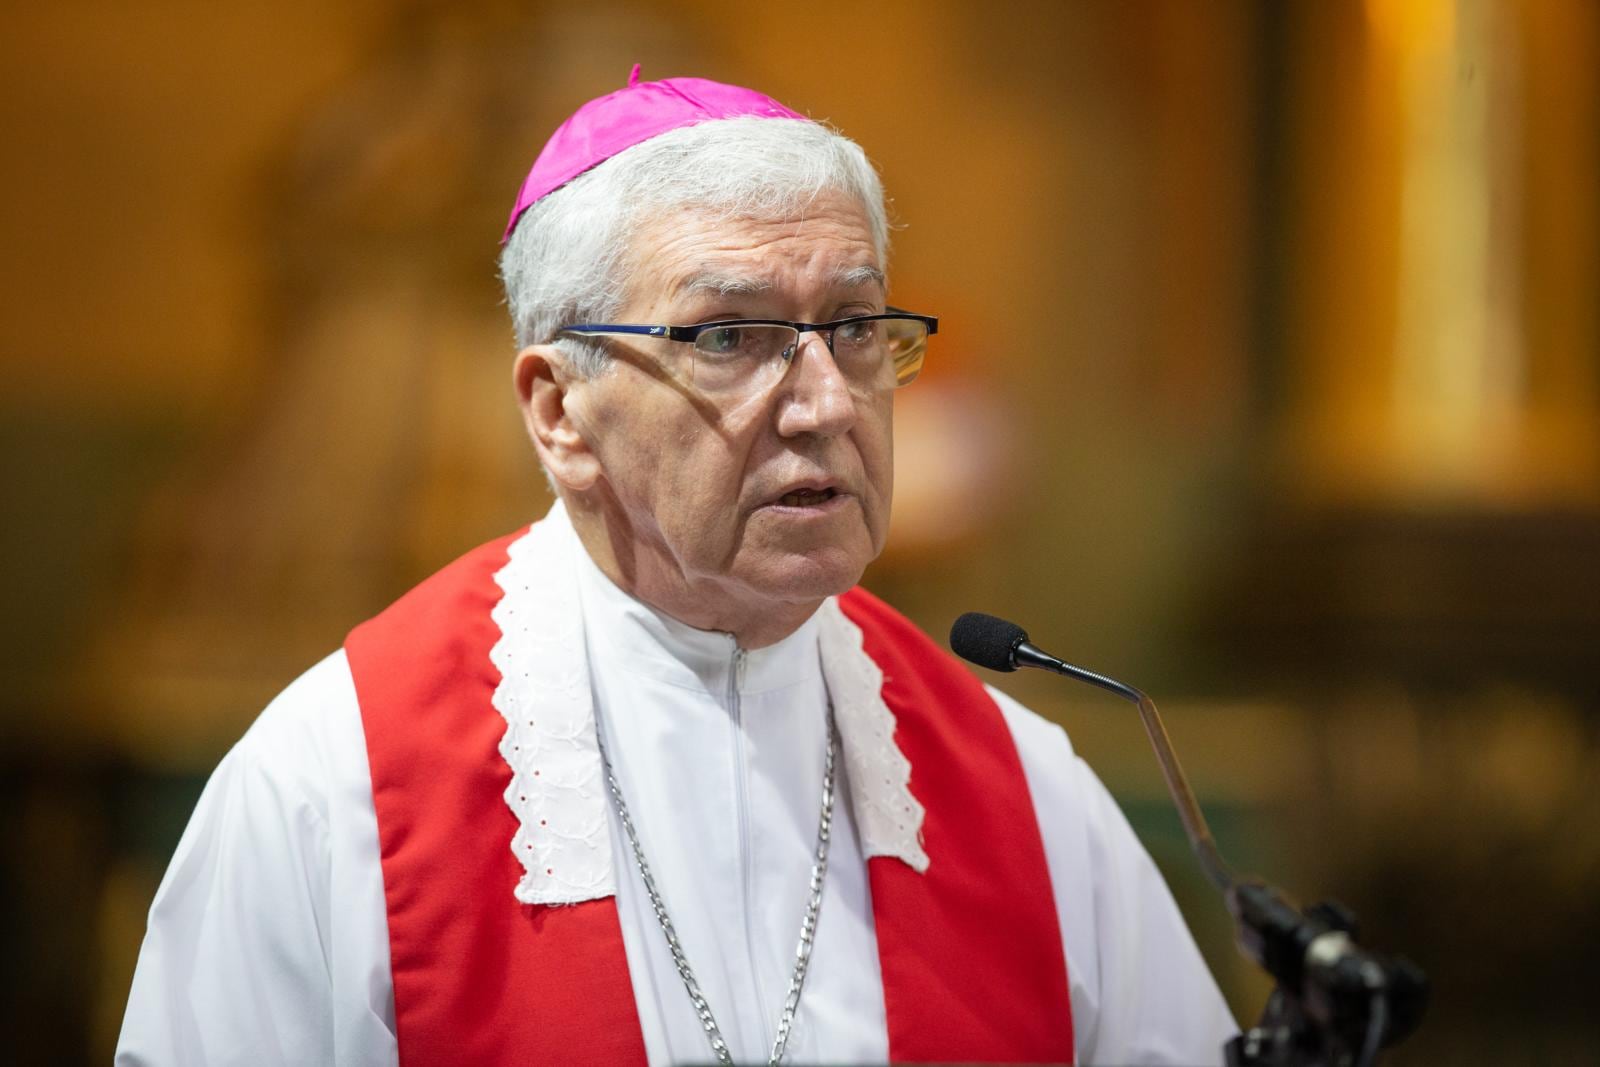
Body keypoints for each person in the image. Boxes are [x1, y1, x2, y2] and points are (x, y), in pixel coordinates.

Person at [117, 68, 1238, 1066]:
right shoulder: (338, 785)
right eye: (727, 337)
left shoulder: (1021, 792)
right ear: (560, 411)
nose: (824, 402)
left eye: (854, 327)